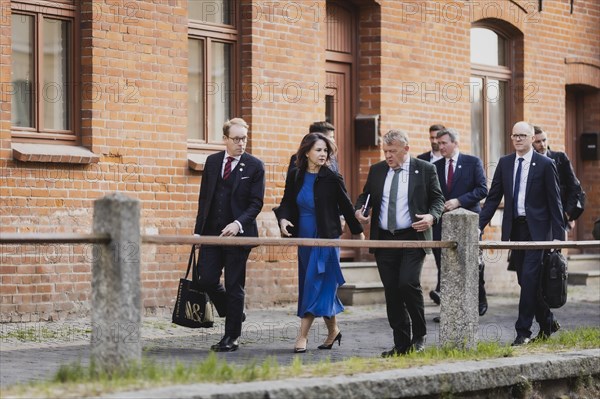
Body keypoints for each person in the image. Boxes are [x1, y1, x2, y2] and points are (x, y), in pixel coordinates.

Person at [355, 130, 444, 357]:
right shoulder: (377, 171)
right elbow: (365, 196)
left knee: (407, 283)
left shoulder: (425, 169)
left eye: (392, 151)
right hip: (384, 239)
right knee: (392, 292)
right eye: (385, 151)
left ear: (406, 148)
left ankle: (420, 335)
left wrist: (431, 217)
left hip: (412, 236)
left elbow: (438, 199)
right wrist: (361, 211)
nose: (388, 156)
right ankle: (401, 343)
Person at [274, 132, 364, 353]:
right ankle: (333, 331)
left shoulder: (332, 177)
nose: (323, 154)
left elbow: (345, 206)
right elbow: (286, 202)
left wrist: (357, 232)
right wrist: (283, 219)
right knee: (318, 284)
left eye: (325, 150)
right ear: (306, 152)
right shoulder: (295, 174)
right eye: (318, 150)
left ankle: (301, 336)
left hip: (326, 237)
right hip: (304, 236)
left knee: (314, 283)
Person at [479, 121, 564, 346]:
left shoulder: (545, 164)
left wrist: (559, 237)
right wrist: (478, 226)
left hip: (538, 232)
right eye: (514, 135)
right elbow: (493, 198)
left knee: (529, 279)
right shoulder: (505, 163)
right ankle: (548, 322)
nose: (518, 139)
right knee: (525, 281)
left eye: (523, 136)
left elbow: (555, 202)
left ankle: (522, 331)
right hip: (516, 230)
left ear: (531, 138)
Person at [193, 118, 265, 352]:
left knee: (235, 286)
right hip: (212, 233)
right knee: (205, 280)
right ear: (225, 139)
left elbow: (256, 203)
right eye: (236, 139)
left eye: (244, 138)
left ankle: (231, 337)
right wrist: (198, 233)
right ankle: (235, 311)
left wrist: (237, 224)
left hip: (238, 235)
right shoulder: (213, 162)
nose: (241, 143)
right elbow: (204, 200)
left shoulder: (255, 166)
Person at [430, 128, 488, 320]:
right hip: (442, 224)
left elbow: (482, 190)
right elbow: (432, 194)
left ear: (455, 143)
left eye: (444, 143)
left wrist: (459, 201)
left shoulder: (473, 163)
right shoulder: (435, 167)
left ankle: (478, 300)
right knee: (444, 266)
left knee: (470, 263)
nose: (441, 146)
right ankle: (449, 310)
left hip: (468, 222)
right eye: (439, 143)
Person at [533, 126, 584, 231]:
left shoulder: (560, 158)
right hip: (536, 215)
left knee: (556, 246)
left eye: (544, 140)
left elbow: (574, 186)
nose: (542, 145)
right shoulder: (528, 162)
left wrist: (568, 212)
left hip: (558, 215)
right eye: (538, 142)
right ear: (531, 142)